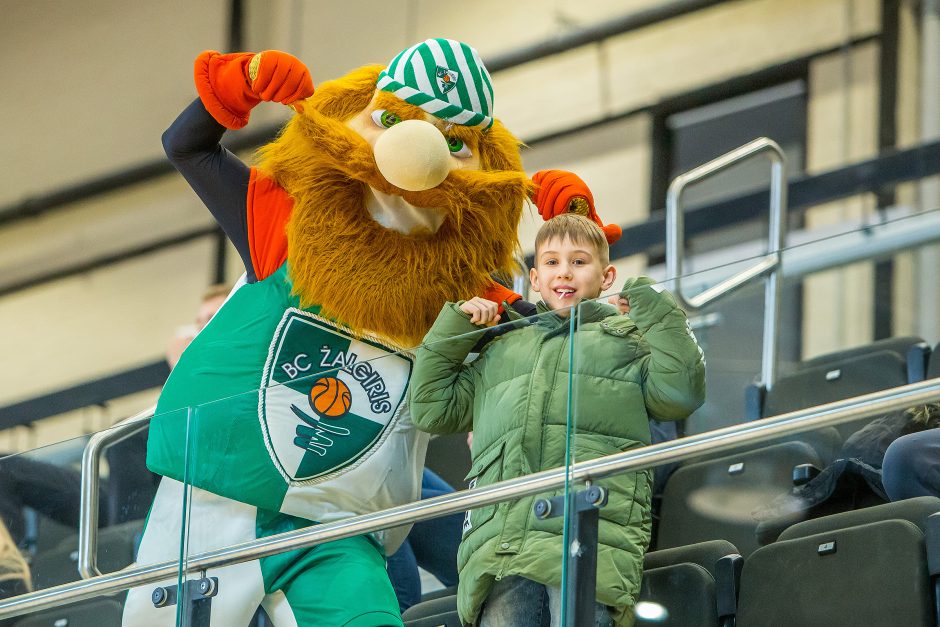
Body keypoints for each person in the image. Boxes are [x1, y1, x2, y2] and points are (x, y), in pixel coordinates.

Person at [408, 213, 706, 626]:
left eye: (579, 261)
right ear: (533, 278)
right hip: (503, 546)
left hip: (588, 536)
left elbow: (681, 393)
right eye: (551, 262)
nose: (564, 271)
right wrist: (453, 328)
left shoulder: (630, 341)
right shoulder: (501, 350)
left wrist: (652, 306)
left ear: (607, 277)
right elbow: (430, 409)